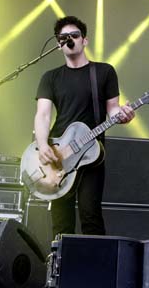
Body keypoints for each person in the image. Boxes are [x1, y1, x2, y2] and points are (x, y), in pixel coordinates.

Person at [34, 16, 135, 237]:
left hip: (91, 154)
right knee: (61, 221)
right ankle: (60, 269)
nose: (69, 39)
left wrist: (125, 115)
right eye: (63, 37)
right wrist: (43, 146)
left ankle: (97, 268)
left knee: (91, 216)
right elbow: (42, 115)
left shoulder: (104, 72)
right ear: (58, 43)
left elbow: (113, 110)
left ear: (84, 41)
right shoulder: (50, 78)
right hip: (59, 154)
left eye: (74, 35)